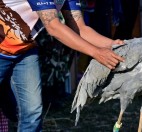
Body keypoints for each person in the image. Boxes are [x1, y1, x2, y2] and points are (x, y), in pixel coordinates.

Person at [0, 0, 124, 131]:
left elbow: (80, 28)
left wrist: (113, 45)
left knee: (33, 112)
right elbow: (54, 27)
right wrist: (96, 52)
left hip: (23, 50)